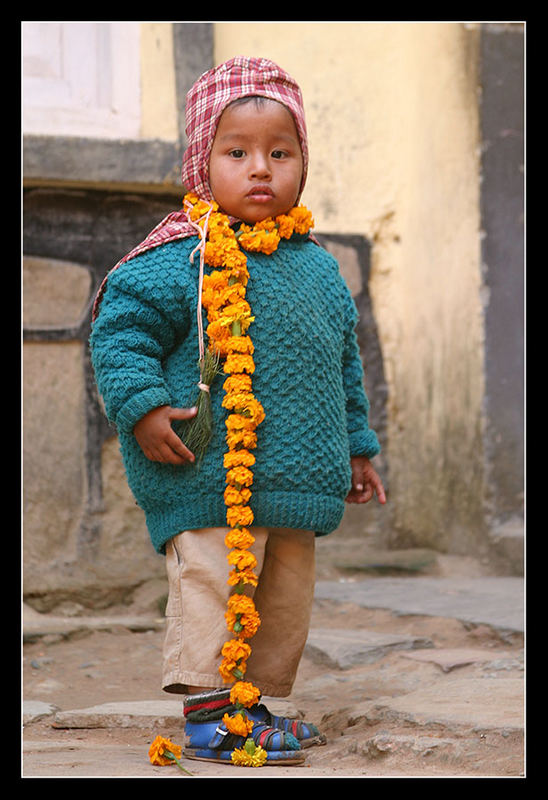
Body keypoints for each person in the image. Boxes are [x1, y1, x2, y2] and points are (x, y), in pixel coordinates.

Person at [90, 56, 386, 767]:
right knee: (217, 581)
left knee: (283, 592)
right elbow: (120, 331)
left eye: (280, 153)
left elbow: (342, 360)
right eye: (238, 152)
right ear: (201, 161)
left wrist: (357, 445)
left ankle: (251, 706)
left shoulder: (316, 264)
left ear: (301, 163)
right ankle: (207, 719)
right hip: (209, 470)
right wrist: (142, 406)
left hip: (295, 475)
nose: (261, 169)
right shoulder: (179, 258)